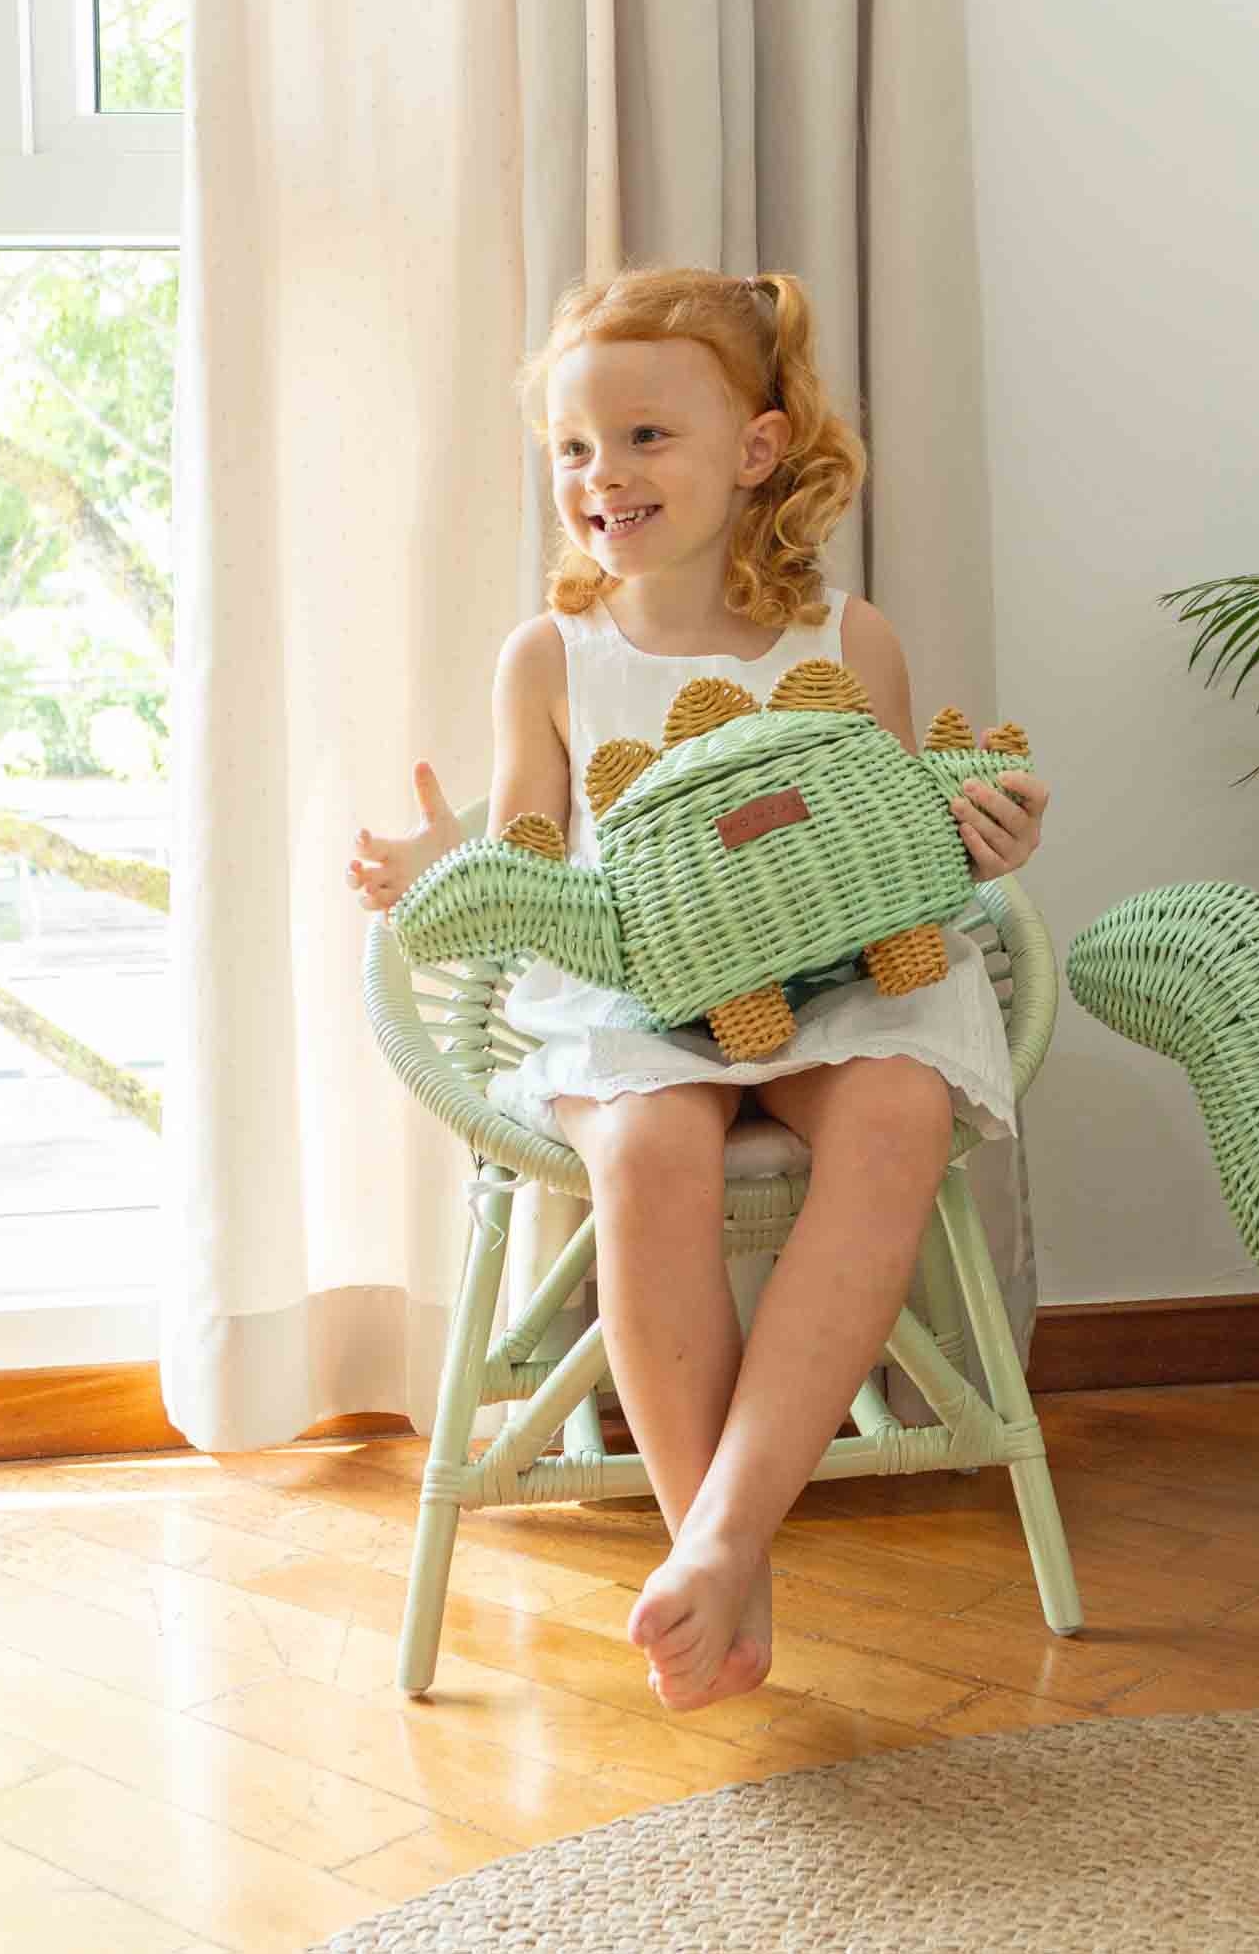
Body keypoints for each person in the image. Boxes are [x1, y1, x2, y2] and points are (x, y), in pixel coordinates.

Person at [347, 266, 1048, 1712]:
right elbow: (536, 853)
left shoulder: (846, 642)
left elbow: (894, 842)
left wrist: (984, 834)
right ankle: (719, 1549)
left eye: (645, 437)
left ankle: (726, 1530)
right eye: (574, 448)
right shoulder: (550, 657)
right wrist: (445, 860)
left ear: (758, 448)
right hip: (630, 984)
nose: (603, 473)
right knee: (654, 1143)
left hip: (835, 976)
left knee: (900, 1105)